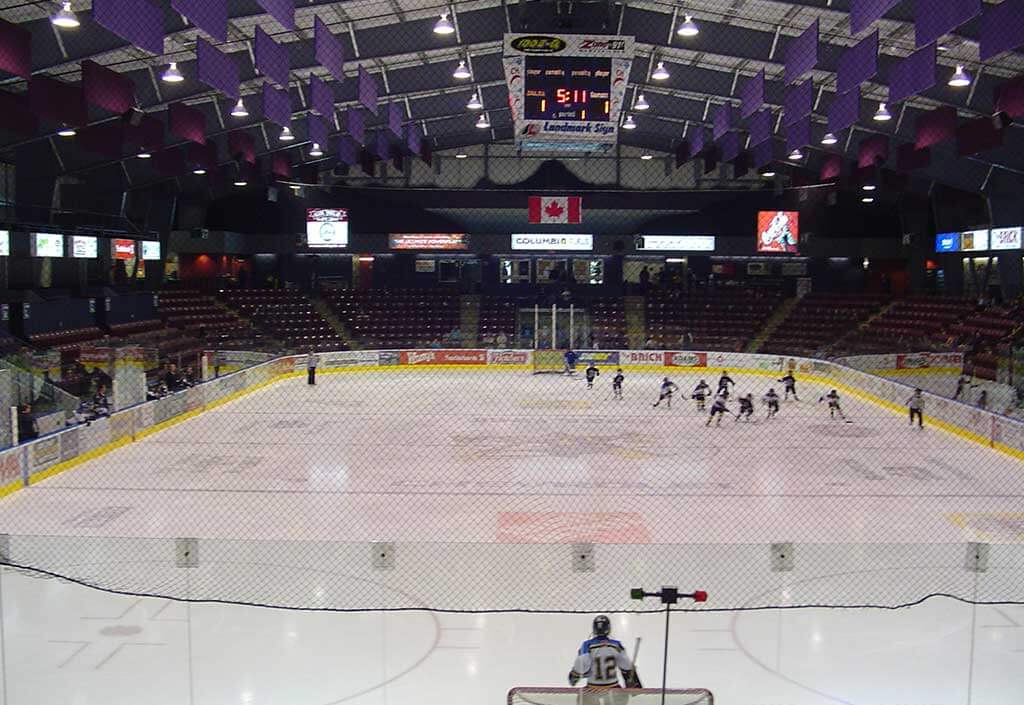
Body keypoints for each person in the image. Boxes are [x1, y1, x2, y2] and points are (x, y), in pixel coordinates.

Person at [568, 615, 641, 690]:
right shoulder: (616, 645)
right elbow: (626, 666)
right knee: (621, 698)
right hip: (614, 687)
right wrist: (632, 680)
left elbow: (582, 664)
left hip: (593, 687)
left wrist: (574, 676)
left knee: (581, 699)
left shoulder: (587, 645)